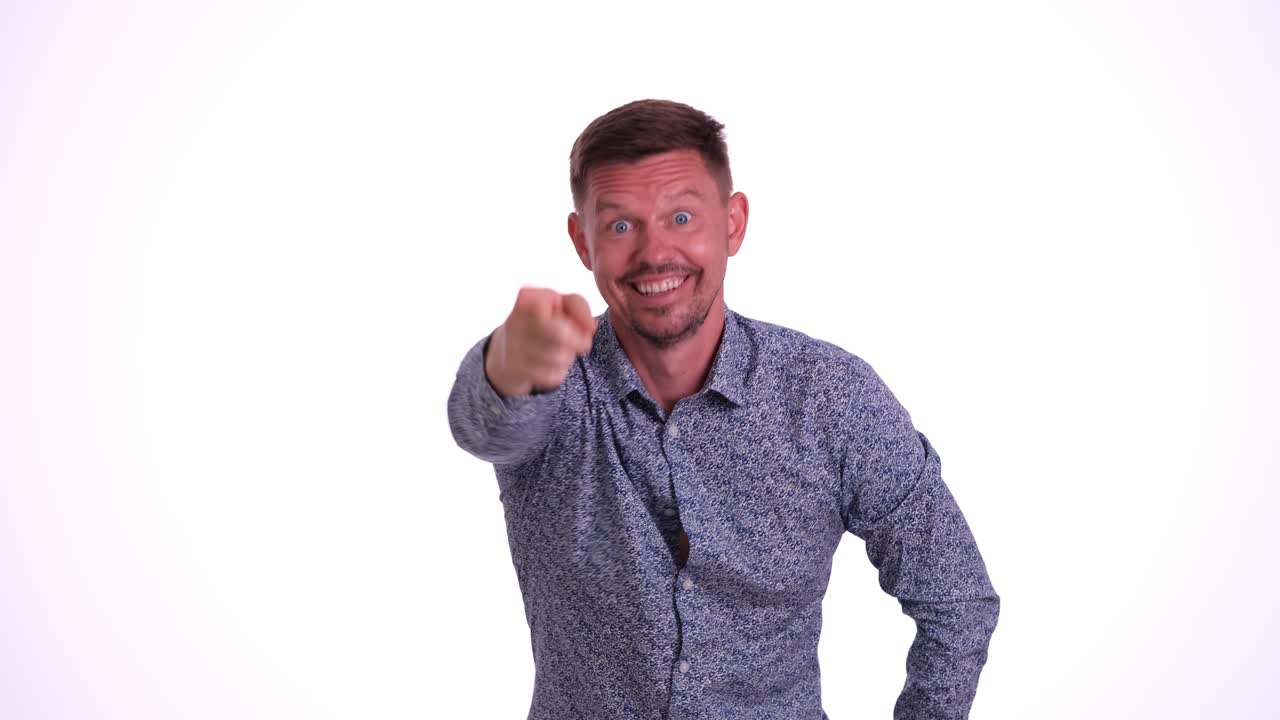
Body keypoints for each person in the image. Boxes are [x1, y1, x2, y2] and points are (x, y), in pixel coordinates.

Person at [447, 98, 999, 720]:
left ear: (733, 222)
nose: (656, 252)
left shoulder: (829, 395)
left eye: (681, 216)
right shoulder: (553, 384)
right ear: (583, 241)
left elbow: (955, 595)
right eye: (621, 226)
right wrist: (509, 365)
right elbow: (485, 422)